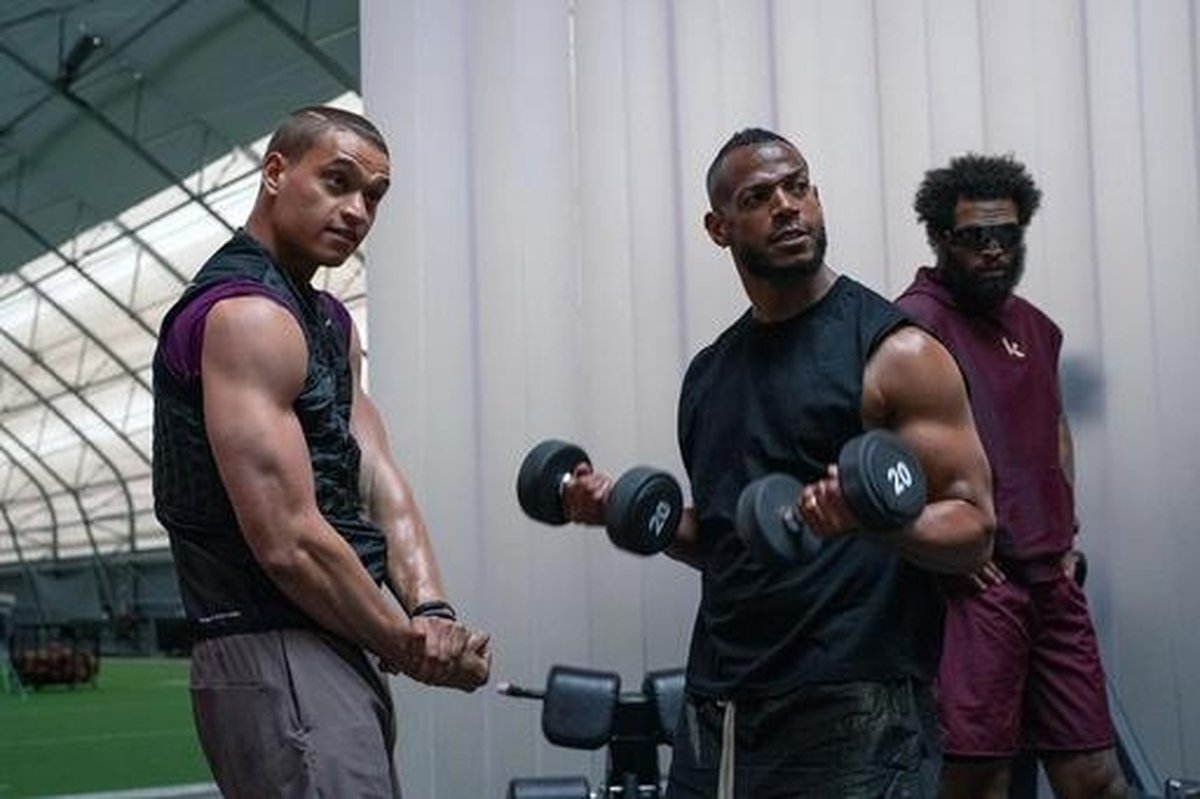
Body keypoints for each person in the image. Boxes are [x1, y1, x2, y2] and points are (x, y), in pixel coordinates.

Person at [562, 128, 996, 798]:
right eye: (759, 197)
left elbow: (975, 528)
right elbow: (730, 540)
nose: (787, 206)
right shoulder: (710, 375)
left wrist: (872, 521)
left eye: (798, 187)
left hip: (855, 701)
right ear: (719, 228)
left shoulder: (896, 353)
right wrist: (630, 513)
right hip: (720, 703)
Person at [152, 106, 491, 798]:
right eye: (337, 182)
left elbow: (377, 476)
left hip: (334, 638)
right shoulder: (246, 316)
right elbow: (288, 541)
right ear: (276, 172)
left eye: (374, 196)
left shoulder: (330, 324)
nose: (358, 210)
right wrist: (410, 647)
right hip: (273, 643)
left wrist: (432, 613)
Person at [896, 154, 1127, 799]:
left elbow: (1054, 423)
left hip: (1052, 581)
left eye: (1006, 234)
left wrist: (1066, 532)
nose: (993, 249)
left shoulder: (1033, 326)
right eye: (975, 236)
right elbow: (881, 458)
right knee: (979, 781)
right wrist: (941, 549)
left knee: (1095, 776)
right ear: (941, 237)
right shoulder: (914, 326)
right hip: (977, 590)